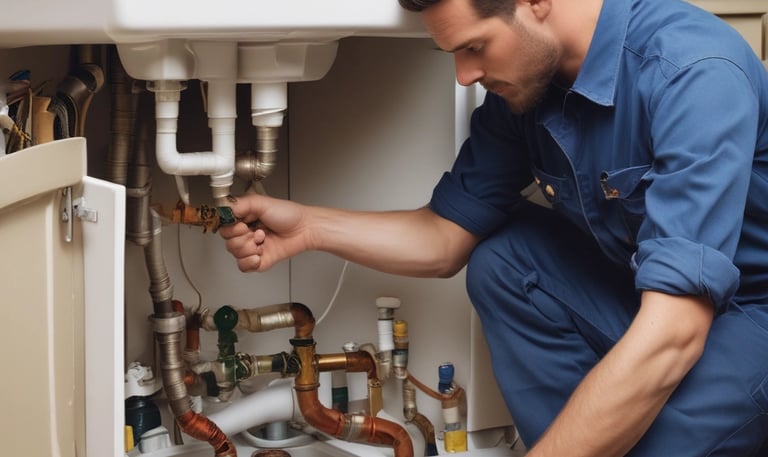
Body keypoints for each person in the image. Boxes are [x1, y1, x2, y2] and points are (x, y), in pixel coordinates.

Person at [220, 0, 768, 454]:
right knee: (503, 258)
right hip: (648, 300)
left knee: (641, 439)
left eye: (474, 47)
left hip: (746, 317)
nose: (465, 74)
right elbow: (444, 238)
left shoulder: (692, 72)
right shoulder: (529, 88)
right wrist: (309, 228)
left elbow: (673, 331)